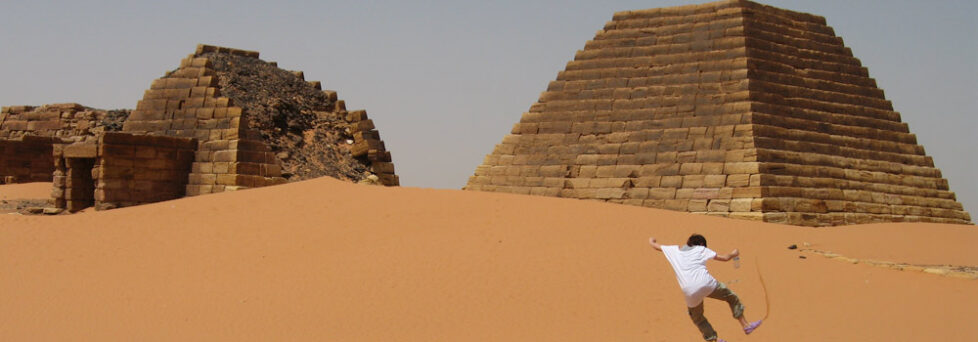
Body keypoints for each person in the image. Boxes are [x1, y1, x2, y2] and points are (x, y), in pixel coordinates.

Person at [649, 234, 761, 342]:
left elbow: (654, 245)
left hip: (689, 291)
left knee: (698, 318)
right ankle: (746, 325)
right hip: (707, 284)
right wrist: (734, 253)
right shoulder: (700, 249)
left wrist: (652, 240)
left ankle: (715, 340)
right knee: (731, 297)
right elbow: (725, 258)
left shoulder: (674, 250)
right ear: (701, 243)